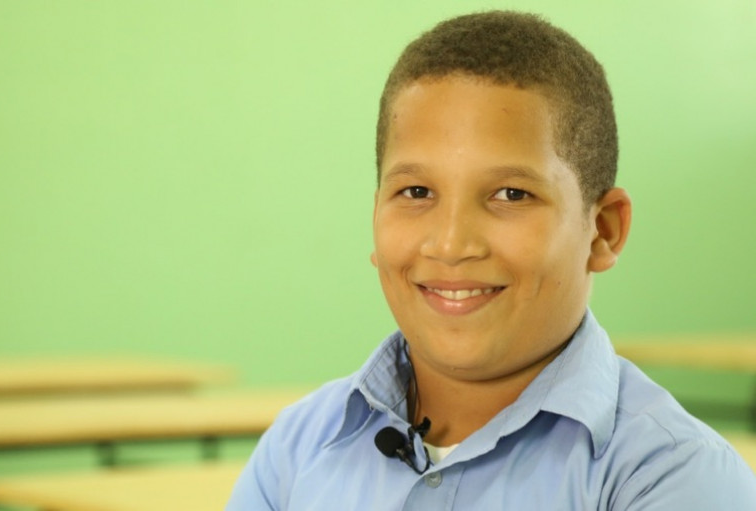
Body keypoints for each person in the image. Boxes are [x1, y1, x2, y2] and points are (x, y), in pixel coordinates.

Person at [226, 10, 756, 510]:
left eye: (511, 195)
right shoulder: (296, 452)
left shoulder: (672, 477)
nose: (451, 244)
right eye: (415, 192)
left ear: (603, 231)